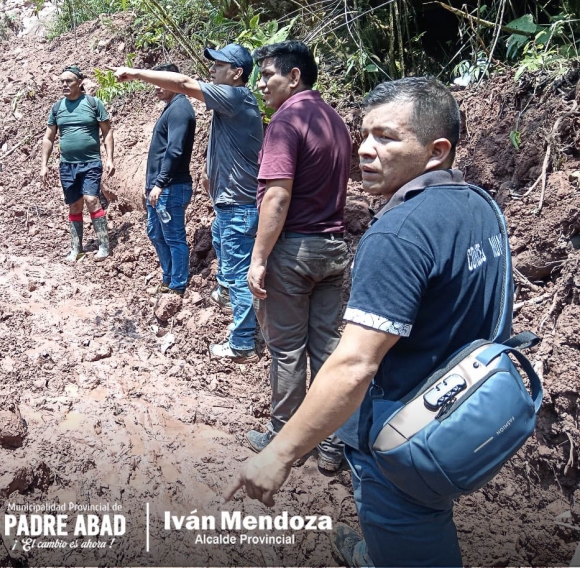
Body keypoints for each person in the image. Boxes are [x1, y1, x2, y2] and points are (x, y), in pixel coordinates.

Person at [224, 77, 508, 568]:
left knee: (409, 528)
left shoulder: (398, 234)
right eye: (365, 135)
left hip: (403, 437)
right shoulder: (479, 206)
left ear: (436, 151)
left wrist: (280, 454)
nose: (366, 151)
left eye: (387, 138)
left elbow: (354, 364)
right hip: (464, 416)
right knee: (414, 523)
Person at [112, 44, 263, 361]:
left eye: (219, 65)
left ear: (236, 73)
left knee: (238, 274)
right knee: (225, 259)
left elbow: (182, 85)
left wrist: (134, 73)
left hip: (239, 205)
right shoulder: (230, 104)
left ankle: (243, 345)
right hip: (227, 203)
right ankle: (228, 301)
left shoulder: (235, 97)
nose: (213, 69)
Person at [244, 41, 352, 472]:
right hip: (332, 249)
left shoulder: (286, 121)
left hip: (295, 250)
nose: (261, 84)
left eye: (268, 74)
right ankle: (332, 444)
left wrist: (258, 258)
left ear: (294, 76)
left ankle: (285, 436)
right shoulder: (335, 121)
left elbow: (277, 196)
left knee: (287, 349)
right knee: (326, 348)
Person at [40, 65, 114, 261]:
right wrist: (44, 165)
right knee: (74, 205)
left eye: (69, 81)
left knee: (91, 199)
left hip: (90, 162)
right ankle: (76, 248)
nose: (64, 84)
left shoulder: (92, 103)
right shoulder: (57, 108)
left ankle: (104, 246)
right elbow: (49, 137)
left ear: (79, 82)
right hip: (67, 165)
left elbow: (107, 131)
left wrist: (110, 159)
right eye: (62, 81)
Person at [144, 63, 197, 295]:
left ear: (174, 82)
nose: (155, 87)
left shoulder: (180, 109)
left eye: (160, 81)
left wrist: (159, 183)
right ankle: (168, 277)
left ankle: (177, 286)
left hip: (171, 187)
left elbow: (174, 150)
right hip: (161, 187)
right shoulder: (172, 107)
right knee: (155, 232)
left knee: (174, 237)